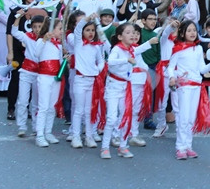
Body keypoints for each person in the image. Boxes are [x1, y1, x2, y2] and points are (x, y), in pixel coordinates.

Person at [168, 20, 210, 160]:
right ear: (183, 33)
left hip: (196, 86)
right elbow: (170, 67)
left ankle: (188, 146)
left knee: (191, 118)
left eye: (194, 30)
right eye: (189, 30)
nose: (192, 33)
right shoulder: (178, 48)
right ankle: (180, 147)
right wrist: (172, 77)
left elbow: (201, 69)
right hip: (184, 87)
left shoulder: (198, 49)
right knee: (183, 118)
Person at [100, 23, 138, 159]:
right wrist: (126, 59)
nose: (132, 35)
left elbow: (142, 49)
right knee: (111, 118)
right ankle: (104, 147)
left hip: (125, 87)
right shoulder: (117, 49)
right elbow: (110, 62)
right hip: (113, 86)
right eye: (128, 32)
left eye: (133, 32)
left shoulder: (132, 49)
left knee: (125, 117)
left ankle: (123, 146)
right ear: (120, 36)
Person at [5, 0, 41, 127]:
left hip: (32, 53)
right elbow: (9, 33)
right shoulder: (15, 11)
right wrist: (10, 52)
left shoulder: (40, 12)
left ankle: (28, 108)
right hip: (18, 50)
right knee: (15, 79)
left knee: (33, 80)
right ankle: (11, 108)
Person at [70, 14, 106, 149]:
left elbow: (101, 60)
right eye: (87, 30)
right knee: (79, 110)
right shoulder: (78, 43)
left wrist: (98, 68)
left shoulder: (96, 47)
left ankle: (89, 136)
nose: (90, 33)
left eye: (92, 30)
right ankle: (76, 136)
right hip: (80, 80)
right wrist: (86, 19)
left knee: (89, 110)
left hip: (93, 81)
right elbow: (77, 29)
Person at [10, 12, 44, 137]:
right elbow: (14, 32)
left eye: (40, 26)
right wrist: (18, 17)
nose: (37, 29)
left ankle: (36, 126)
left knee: (36, 103)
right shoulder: (27, 37)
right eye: (34, 26)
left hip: (40, 73)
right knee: (23, 101)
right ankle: (22, 126)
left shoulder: (47, 39)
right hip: (26, 71)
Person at [34, 17, 65, 148]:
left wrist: (65, 60)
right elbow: (36, 54)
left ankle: (48, 131)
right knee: (43, 106)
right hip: (44, 77)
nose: (62, 31)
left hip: (55, 78)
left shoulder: (58, 45)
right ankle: (39, 134)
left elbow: (58, 61)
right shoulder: (42, 41)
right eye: (59, 29)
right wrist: (44, 40)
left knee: (52, 106)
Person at [153, 17, 179, 137]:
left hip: (177, 74)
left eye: (176, 26)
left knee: (177, 102)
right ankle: (161, 125)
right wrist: (170, 26)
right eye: (170, 25)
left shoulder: (181, 43)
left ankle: (180, 128)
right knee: (162, 103)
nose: (173, 28)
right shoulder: (164, 40)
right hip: (165, 73)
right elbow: (165, 33)